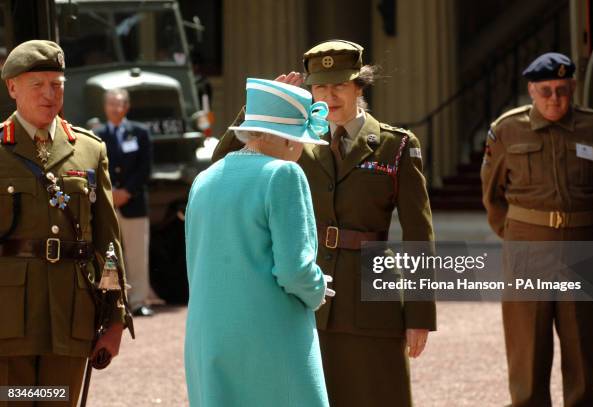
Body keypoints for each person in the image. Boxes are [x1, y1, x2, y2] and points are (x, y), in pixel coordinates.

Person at [213, 40, 436, 407]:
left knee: (381, 395)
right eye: (320, 87)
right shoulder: (294, 142)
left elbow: (418, 234)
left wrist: (420, 313)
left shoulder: (395, 146)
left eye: (339, 86)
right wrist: (258, 109)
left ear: (358, 87)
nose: (329, 96)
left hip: (372, 295)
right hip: (307, 294)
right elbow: (224, 162)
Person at [185, 78, 334, 407]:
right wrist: (318, 287)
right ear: (277, 136)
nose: (300, 147)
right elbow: (295, 270)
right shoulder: (284, 174)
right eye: (296, 138)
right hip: (270, 334)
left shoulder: (203, 179)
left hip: (208, 334)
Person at [0, 40, 128, 406]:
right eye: (37, 84)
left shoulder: (89, 149)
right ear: (12, 88)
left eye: (56, 84)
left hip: (70, 315)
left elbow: (108, 245)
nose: (49, 94)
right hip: (8, 322)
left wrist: (115, 317)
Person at [481, 52, 593, 407]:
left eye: (561, 89)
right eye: (545, 91)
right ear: (531, 91)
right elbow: (493, 196)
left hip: (584, 248)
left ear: (572, 87)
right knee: (528, 350)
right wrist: (520, 236)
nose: (554, 98)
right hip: (529, 250)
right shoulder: (507, 129)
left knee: (584, 349)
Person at [95, 88, 154, 317]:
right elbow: (96, 167)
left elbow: (145, 168)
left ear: (127, 107)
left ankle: (139, 302)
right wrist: (110, 193)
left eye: (120, 104)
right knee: (109, 253)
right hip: (107, 204)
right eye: (111, 104)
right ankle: (111, 302)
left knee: (138, 255)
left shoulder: (140, 132)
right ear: (105, 107)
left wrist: (127, 191)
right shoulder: (97, 135)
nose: (116, 108)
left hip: (134, 204)